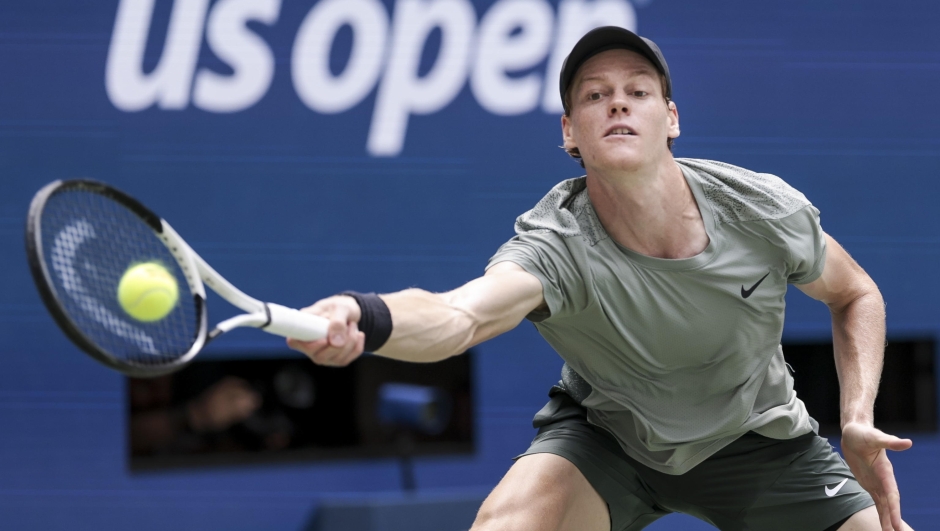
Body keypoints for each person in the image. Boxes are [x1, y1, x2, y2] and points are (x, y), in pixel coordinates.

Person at [287, 26, 914, 531]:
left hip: (756, 439)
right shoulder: (557, 243)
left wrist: (856, 414)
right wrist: (362, 315)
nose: (616, 101)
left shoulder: (760, 209)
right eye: (594, 95)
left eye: (637, 91)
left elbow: (855, 292)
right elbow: (459, 316)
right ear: (570, 132)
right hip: (608, 440)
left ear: (670, 119)